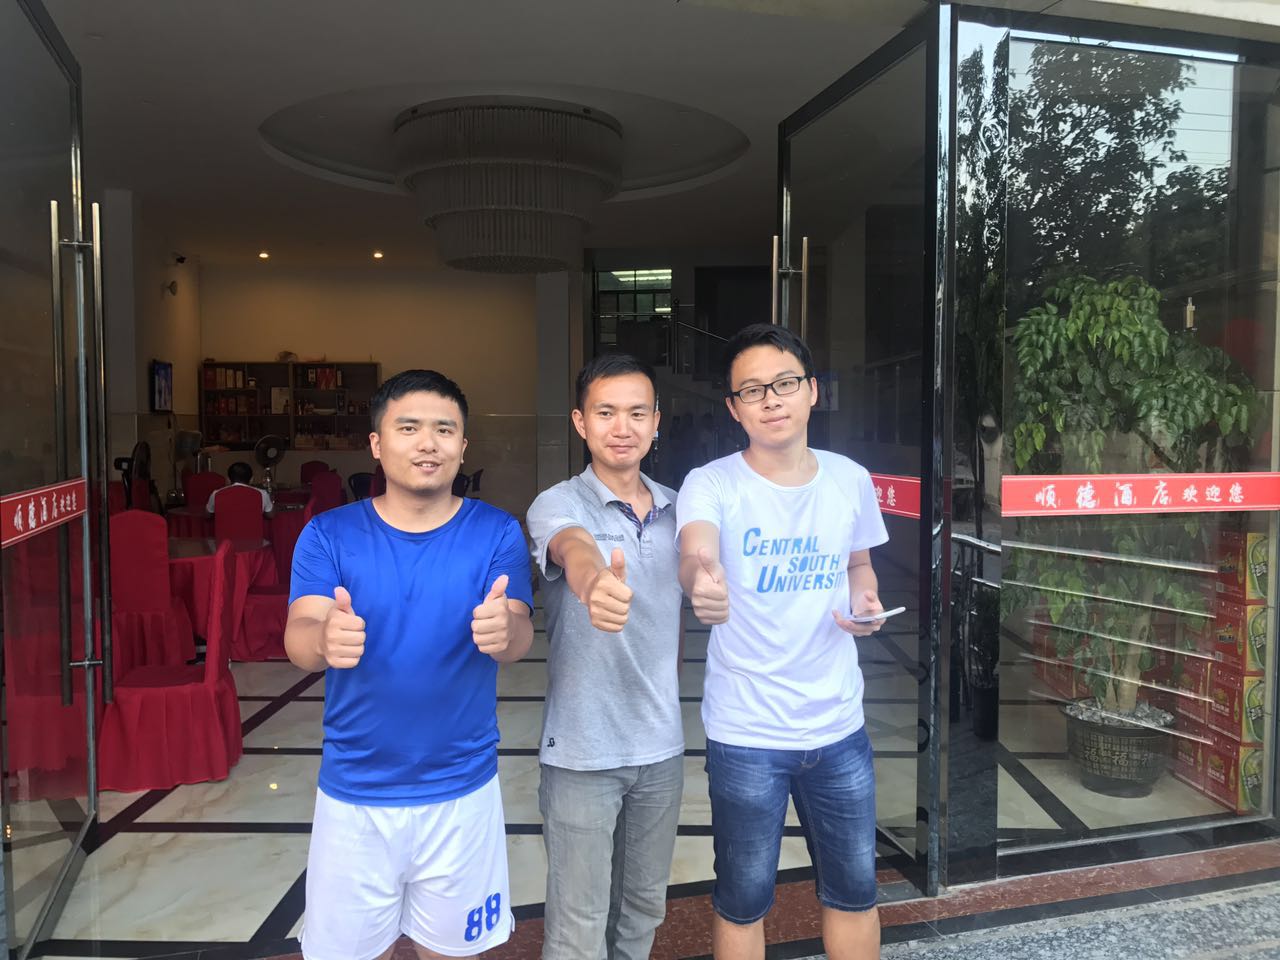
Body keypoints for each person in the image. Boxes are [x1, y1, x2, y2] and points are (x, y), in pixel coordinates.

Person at [284, 368, 535, 960]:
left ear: (463, 446)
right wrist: (324, 638)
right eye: (409, 428)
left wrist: (506, 630)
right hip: (355, 794)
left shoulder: (497, 531)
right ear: (377, 443)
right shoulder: (328, 534)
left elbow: (519, 632)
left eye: (445, 430)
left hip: (462, 790)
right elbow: (298, 636)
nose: (429, 443)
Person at [676, 324, 889, 960]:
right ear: (733, 407)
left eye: (785, 383)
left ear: (812, 391)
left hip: (839, 725)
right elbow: (695, 552)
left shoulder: (850, 478)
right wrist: (700, 581)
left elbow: (859, 565)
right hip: (747, 733)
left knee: (855, 891)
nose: (771, 399)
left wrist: (866, 601)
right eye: (752, 390)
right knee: (742, 899)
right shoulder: (711, 482)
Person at [526, 354, 684, 960]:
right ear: (580, 422)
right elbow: (574, 548)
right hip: (582, 752)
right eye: (606, 412)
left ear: (656, 421)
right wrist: (594, 583)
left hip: (661, 748)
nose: (622, 428)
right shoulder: (556, 502)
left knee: (643, 908)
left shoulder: (680, 509)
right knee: (579, 924)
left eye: (637, 413)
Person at [207, 460, 272, 512]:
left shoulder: (216, 494)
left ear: (228, 479)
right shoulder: (262, 494)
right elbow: (270, 515)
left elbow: (208, 515)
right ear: (251, 479)